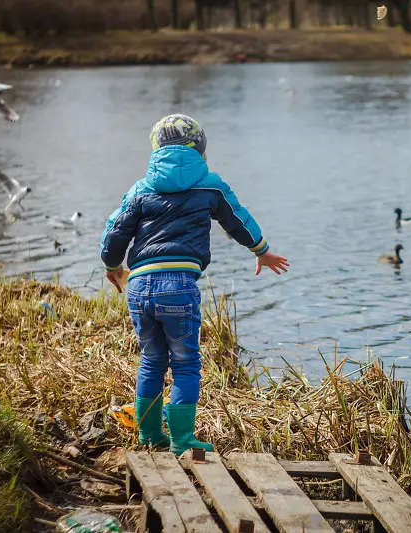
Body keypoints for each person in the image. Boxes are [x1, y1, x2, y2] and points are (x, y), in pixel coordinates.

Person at [100, 114, 289, 455]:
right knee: (185, 363)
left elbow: (115, 231)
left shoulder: (140, 189)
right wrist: (261, 251)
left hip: (140, 287)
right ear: (200, 149)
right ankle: (182, 439)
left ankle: (149, 435)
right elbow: (237, 218)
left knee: (151, 360)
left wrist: (113, 266)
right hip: (179, 286)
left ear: (155, 148)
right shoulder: (210, 185)